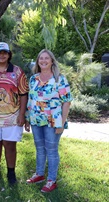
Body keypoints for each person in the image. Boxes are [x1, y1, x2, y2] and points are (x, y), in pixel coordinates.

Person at [26, 49, 73, 193]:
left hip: (53, 121)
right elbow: (31, 100)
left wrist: (62, 123)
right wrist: (27, 119)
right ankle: (39, 174)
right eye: (41, 58)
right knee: (39, 149)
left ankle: (51, 180)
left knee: (51, 151)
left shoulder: (59, 79)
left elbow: (66, 102)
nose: (44, 61)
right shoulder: (34, 79)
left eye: (47, 58)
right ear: (38, 61)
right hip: (36, 120)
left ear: (52, 61)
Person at [0, 42, 29, 185]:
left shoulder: (18, 72)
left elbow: (23, 94)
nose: (2, 55)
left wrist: (22, 114)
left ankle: (11, 173)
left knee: (10, 145)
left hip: (13, 115)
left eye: (4, 52)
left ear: (9, 54)